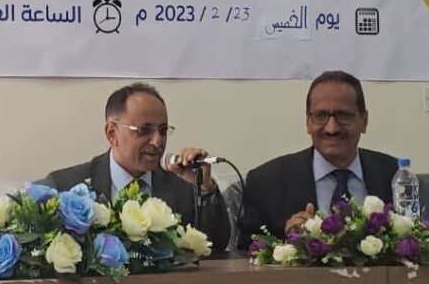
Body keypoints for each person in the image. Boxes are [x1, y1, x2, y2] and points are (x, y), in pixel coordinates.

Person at [40, 82, 230, 252]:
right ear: (112, 133)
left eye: (163, 130)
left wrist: (204, 188)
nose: (157, 141)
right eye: (144, 130)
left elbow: (217, 247)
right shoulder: (64, 187)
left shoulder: (183, 186)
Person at [237, 70, 398, 249]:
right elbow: (246, 254)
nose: (332, 128)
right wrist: (287, 244)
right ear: (308, 122)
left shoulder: (393, 175)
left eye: (343, 115)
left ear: (364, 121)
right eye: (321, 116)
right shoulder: (266, 183)